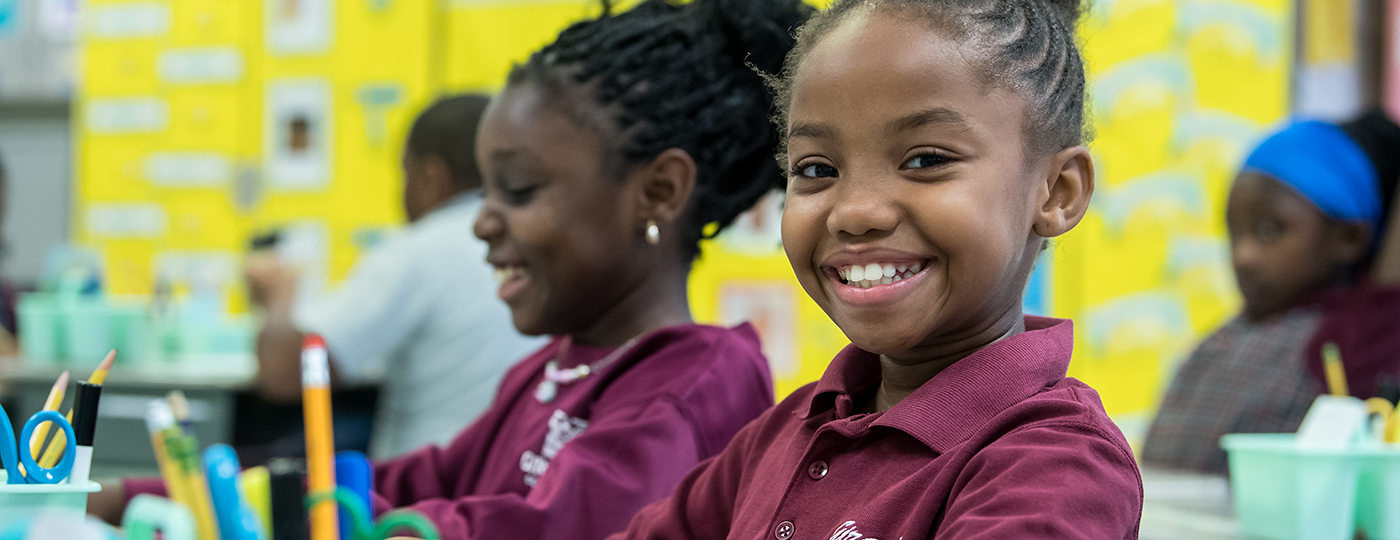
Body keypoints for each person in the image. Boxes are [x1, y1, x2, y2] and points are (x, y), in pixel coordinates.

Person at [99, 1, 812, 538]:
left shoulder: (699, 383)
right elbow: (415, 481)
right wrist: (153, 494)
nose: (480, 222)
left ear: (657, 192)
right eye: (485, 191)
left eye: (520, 192)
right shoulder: (552, 370)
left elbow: (547, 527)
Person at [611, 0, 1143, 537]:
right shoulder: (786, 432)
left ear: (1057, 191)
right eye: (817, 169)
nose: (855, 213)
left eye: (926, 159)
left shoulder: (1054, 465)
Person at [244, 94, 544, 459]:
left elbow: (287, 374)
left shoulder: (419, 251)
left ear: (432, 176)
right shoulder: (538, 242)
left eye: (405, 173)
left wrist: (278, 300)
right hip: (513, 470)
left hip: (423, 486)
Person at [1144, 111, 1400, 474]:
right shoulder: (1225, 337)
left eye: (1270, 231)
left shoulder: (1355, 335)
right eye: (1235, 232)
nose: (1243, 256)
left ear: (1348, 238)